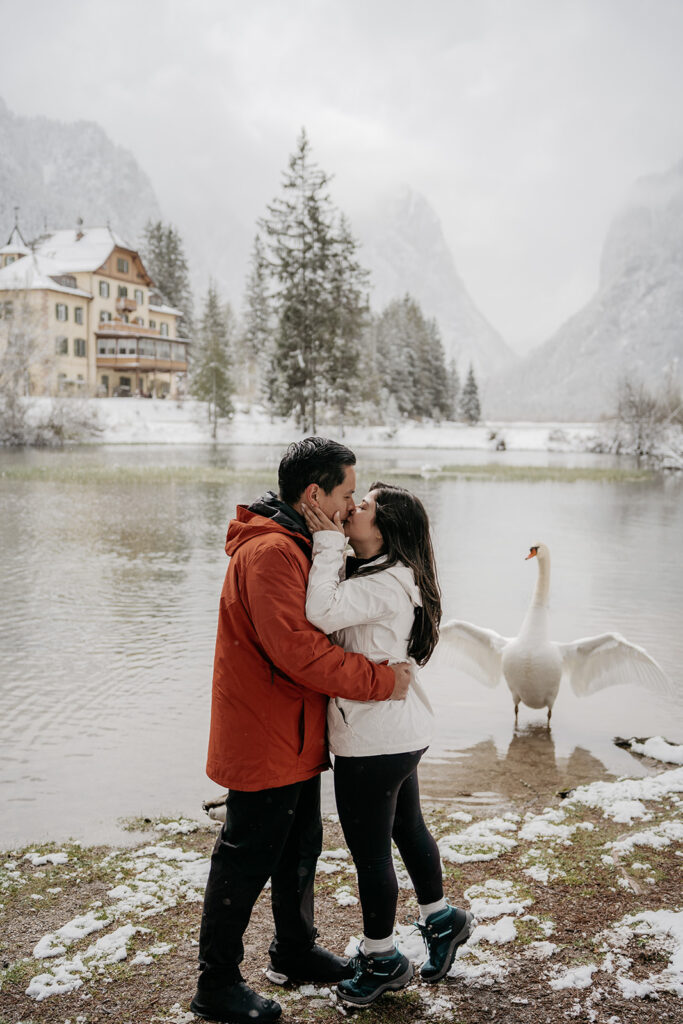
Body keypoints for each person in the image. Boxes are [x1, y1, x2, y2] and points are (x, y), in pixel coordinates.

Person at [190, 440, 412, 1024]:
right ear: (314, 494)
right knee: (246, 856)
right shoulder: (270, 553)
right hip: (265, 735)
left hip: (294, 732)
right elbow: (302, 654)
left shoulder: (295, 543)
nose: (350, 506)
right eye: (345, 495)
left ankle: (293, 950)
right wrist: (381, 681)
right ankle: (215, 986)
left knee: (298, 848)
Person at [302, 482, 474, 1006]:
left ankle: (381, 959)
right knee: (407, 827)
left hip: (374, 741)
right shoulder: (390, 574)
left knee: (371, 856)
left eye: (366, 505)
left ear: (385, 530)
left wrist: (327, 545)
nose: (353, 507)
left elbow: (320, 614)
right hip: (400, 731)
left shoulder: (379, 585)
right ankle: (441, 919)